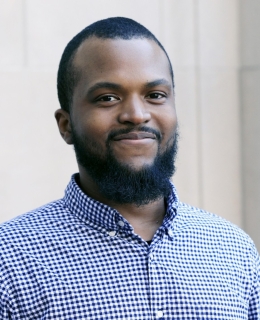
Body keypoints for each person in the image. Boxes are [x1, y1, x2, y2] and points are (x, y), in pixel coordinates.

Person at [0, 17, 259, 320]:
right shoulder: (9, 259)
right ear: (66, 125)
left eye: (155, 95)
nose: (137, 115)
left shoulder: (233, 249)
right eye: (108, 98)